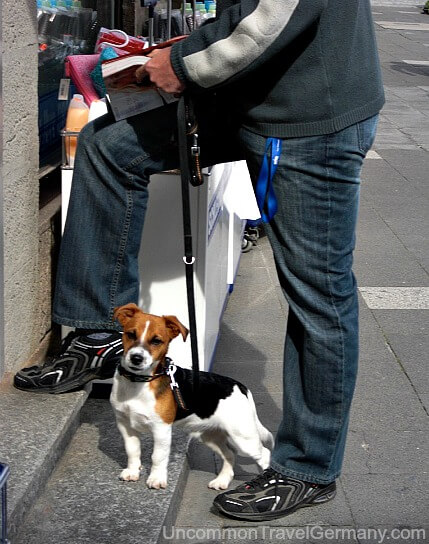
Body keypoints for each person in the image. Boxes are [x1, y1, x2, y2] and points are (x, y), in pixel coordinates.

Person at [14, 0, 384, 521]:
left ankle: (309, 467)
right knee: (109, 146)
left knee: (318, 290)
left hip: (309, 113)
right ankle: (100, 335)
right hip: (250, 91)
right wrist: (188, 46)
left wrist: (185, 62)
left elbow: (278, 11)